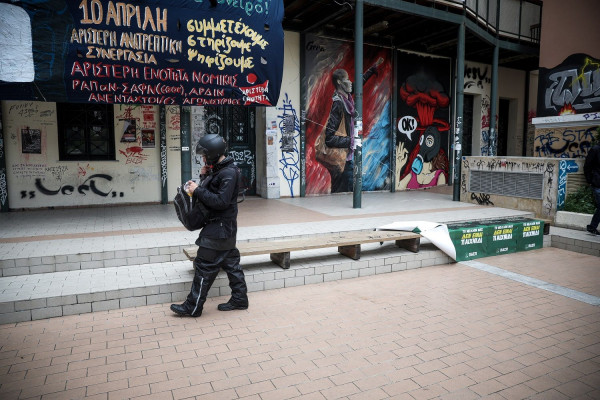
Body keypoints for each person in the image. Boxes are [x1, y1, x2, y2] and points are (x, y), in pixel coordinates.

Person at [171, 134, 249, 317]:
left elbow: (221, 201)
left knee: (204, 266)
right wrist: (204, 176)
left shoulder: (228, 172)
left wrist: (197, 189)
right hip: (225, 228)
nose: (203, 159)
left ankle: (193, 306)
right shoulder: (220, 170)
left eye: (205, 155)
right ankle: (240, 298)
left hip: (219, 229)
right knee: (231, 264)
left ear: (213, 153)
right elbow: (212, 191)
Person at [323, 58, 383, 193]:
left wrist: (372, 69)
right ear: (339, 83)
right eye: (347, 80)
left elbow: (358, 84)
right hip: (343, 160)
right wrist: (351, 141)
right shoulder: (338, 104)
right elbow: (329, 138)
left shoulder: (347, 97)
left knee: (348, 190)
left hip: (349, 157)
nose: (350, 82)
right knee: (343, 190)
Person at [584, 140, 600, 235]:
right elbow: (587, 166)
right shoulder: (595, 150)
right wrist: (590, 181)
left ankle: (592, 226)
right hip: (597, 183)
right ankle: (592, 226)